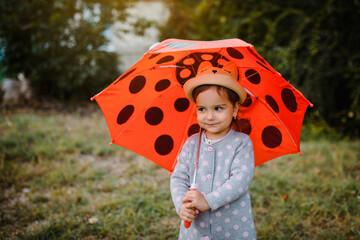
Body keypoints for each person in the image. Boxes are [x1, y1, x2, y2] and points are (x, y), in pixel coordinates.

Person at [170, 60, 257, 240]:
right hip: (196, 229)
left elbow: (240, 180)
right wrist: (182, 205)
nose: (209, 116)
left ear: (234, 109)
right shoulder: (192, 143)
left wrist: (207, 201)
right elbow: (179, 177)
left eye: (218, 108)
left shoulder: (241, 143)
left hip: (231, 226)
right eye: (202, 109)